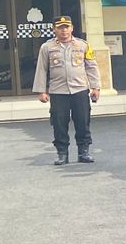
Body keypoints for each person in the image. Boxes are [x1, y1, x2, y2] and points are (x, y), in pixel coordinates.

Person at [33, 15, 100, 165]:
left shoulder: (83, 45)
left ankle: (83, 152)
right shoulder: (47, 47)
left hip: (80, 89)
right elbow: (41, 69)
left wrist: (96, 87)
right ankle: (62, 154)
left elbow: (91, 67)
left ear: (72, 28)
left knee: (83, 121)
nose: (64, 30)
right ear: (54, 29)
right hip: (58, 91)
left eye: (66, 27)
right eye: (60, 27)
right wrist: (41, 91)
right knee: (59, 124)